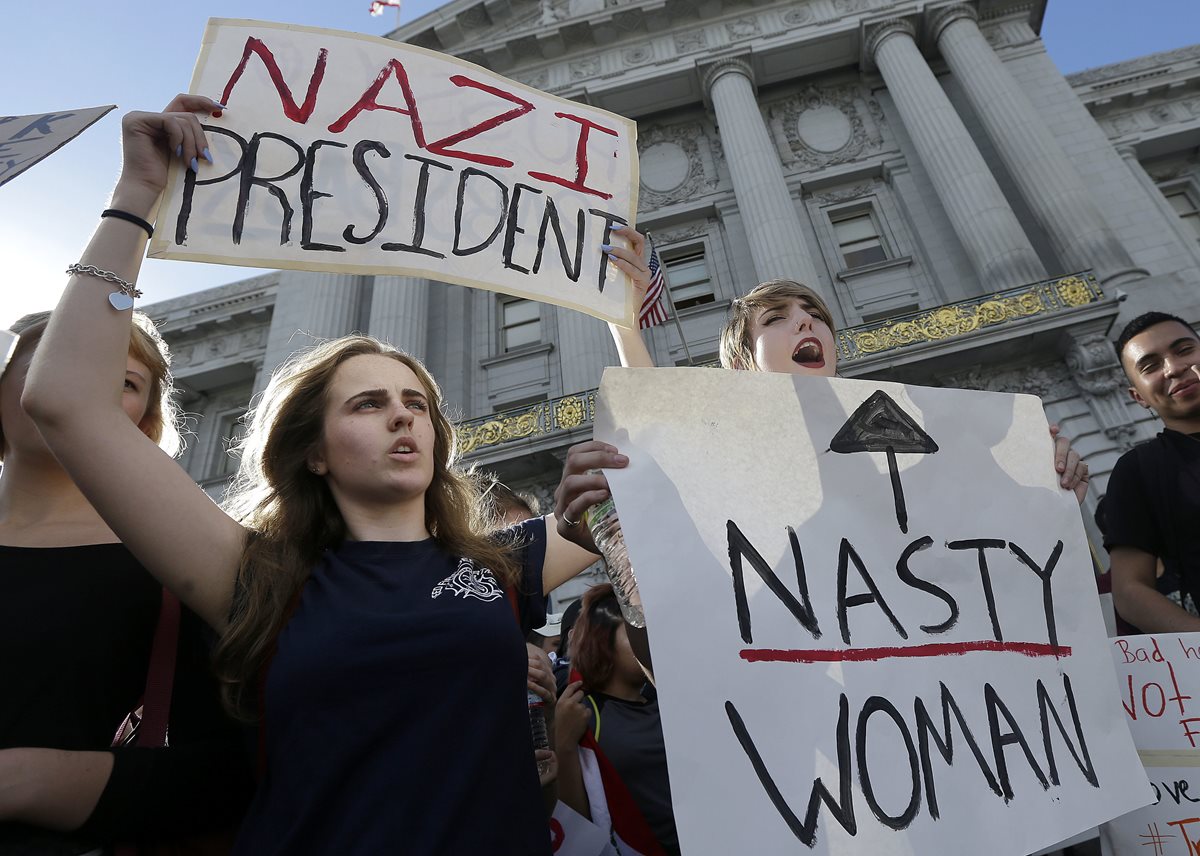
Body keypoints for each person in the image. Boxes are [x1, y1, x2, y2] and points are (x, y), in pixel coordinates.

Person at [23, 96, 629, 856]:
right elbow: (66, 401)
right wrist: (135, 196)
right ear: (313, 449)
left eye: (417, 403)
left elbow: (658, 488)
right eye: (370, 404)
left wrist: (623, 320)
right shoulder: (254, 574)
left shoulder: (498, 565)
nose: (405, 417)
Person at [0, 311, 252, 853]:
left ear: (142, 420)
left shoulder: (173, 566)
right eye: (54, 364)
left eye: (126, 382)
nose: (83, 388)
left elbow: (238, 770)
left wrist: (30, 781)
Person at [555, 583, 678, 855]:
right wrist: (563, 745)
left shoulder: (671, 702)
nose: (647, 637)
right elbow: (577, 821)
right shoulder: (583, 714)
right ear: (603, 641)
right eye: (634, 629)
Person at [1106, 311, 1200, 633]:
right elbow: (1131, 591)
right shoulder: (1140, 470)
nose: (1174, 368)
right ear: (1138, 396)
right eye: (1151, 366)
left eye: (1184, 350)